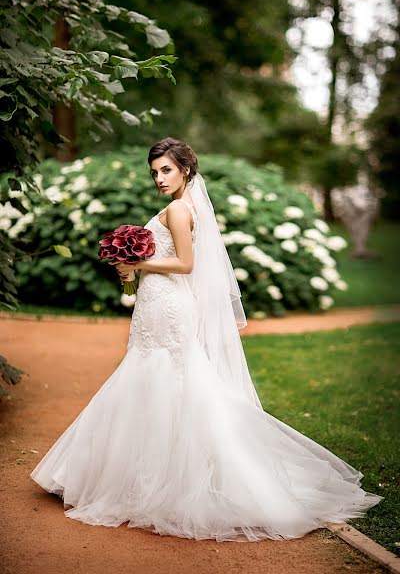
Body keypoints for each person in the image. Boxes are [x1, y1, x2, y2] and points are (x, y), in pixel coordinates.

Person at [30, 137, 384, 542]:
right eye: (154, 172)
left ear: (185, 170)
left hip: (168, 306)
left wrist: (137, 262)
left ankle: (160, 481)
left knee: (167, 378)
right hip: (158, 304)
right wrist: (131, 271)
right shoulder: (182, 207)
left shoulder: (180, 209)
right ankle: (138, 475)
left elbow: (185, 263)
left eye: (166, 170)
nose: (159, 178)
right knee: (151, 378)